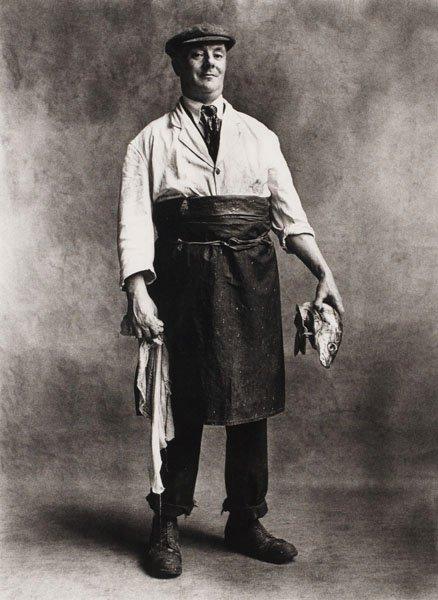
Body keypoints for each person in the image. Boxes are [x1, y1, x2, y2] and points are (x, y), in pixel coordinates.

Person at [117, 23, 344, 578]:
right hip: (183, 284)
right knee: (183, 402)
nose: (210, 65)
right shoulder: (150, 142)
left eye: (217, 55)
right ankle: (166, 521)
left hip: (251, 280)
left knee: (250, 404)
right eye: (198, 56)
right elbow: (134, 225)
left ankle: (245, 518)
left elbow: (291, 217)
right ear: (178, 66)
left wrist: (325, 272)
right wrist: (139, 293)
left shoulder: (260, 137)